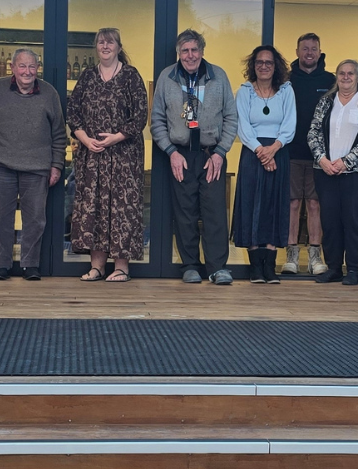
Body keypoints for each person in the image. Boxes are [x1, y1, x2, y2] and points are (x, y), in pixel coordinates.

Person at [150, 29, 238, 285]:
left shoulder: (218, 76)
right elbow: (157, 120)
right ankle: (190, 265)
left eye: (194, 50)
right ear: (179, 53)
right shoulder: (167, 77)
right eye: (185, 50)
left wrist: (221, 152)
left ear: (202, 51)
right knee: (185, 212)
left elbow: (231, 117)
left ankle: (217, 267)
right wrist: (170, 152)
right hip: (181, 156)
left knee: (214, 213)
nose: (190, 55)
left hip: (211, 156)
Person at [67, 27, 149, 282]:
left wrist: (116, 137)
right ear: (96, 47)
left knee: (121, 209)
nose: (105, 46)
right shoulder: (88, 76)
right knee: (95, 209)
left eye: (110, 42)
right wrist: (84, 139)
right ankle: (97, 267)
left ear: (119, 47)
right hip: (92, 156)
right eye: (101, 42)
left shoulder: (131, 76)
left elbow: (140, 116)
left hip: (124, 157)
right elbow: (72, 112)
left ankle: (121, 267)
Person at [0, 49, 66, 281]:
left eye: (32, 67)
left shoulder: (49, 93)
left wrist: (57, 165)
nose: (27, 72)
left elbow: (59, 133)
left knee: (35, 219)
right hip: (0, 164)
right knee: (2, 217)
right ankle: (1, 265)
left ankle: (30, 265)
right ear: (12, 68)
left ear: (37, 68)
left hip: (38, 166)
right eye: (22, 66)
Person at [307, 59, 358, 286]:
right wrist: (322, 159)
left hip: (357, 174)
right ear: (336, 77)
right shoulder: (325, 102)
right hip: (326, 172)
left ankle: (354, 270)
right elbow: (313, 132)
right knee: (330, 222)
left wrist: (346, 162)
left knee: (354, 221)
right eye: (342, 73)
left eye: (351, 73)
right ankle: (334, 268)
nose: (346, 77)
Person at [233, 45, 296, 284]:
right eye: (259, 62)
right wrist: (261, 151)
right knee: (251, 206)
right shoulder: (245, 92)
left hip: (278, 152)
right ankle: (255, 268)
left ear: (275, 66)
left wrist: (273, 150)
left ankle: (269, 267)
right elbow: (243, 126)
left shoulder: (286, 91)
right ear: (253, 65)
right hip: (252, 153)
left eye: (268, 62)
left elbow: (290, 124)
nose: (264, 66)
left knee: (273, 207)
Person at [284, 32, 333, 276]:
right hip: (291, 151)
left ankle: (315, 255)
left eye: (314, 48)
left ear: (320, 51)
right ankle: (291, 255)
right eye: (305, 48)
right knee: (292, 203)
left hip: (320, 155)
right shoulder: (286, 79)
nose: (309, 53)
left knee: (315, 204)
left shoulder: (331, 80)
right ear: (297, 52)